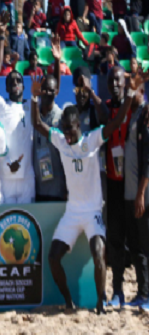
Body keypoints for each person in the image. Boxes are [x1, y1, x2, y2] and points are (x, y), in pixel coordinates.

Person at [30, 69, 148, 314]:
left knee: (98, 252)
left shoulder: (92, 139)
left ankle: (100, 302)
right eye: (64, 129)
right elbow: (38, 124)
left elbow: (116, 122)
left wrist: (129, 92)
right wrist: (33, 98)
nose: (67, 134)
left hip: (93, 210)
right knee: (53, 258)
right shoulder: (61, 140)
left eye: (70, 129)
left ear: (78, 126)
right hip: (73, 212)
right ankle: (69, 302)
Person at [0, 35, 63, 205]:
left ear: (25, 87)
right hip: (6, 178)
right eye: (12, 81)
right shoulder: (1, 106)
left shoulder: (31, 106)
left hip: (28, 179)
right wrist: (1, 38)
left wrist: (57, 62)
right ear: (6, 87)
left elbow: (54, 90)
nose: (16, 83)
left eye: (19, 80)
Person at [102, 65, 135, 308]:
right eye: (111, 80)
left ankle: (142, 292)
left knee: (136, 240)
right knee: (114, 239)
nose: (115, 84)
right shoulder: (103, 108)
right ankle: (118, 291)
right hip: (113, 183)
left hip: (132, 185)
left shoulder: (136, 108)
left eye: (118, 80)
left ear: (125, 82)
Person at [123, 81, 149, 309]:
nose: (129, 93)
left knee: (145, 245)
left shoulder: (146, 115)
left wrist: (141, 193)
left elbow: (148, 160)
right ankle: (142, 292)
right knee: (138, 246)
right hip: (132, 193)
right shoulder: (132, 114)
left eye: (132, 89)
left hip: (143, 195)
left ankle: (146, 294)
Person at [32, 53, 67, 202]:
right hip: (38, 187)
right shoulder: (34, 113)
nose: (48, 93)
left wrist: (58, 61)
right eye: (44, 90)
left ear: (56, 92)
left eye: (51, 91)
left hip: (57, 189)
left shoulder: (61, 116)